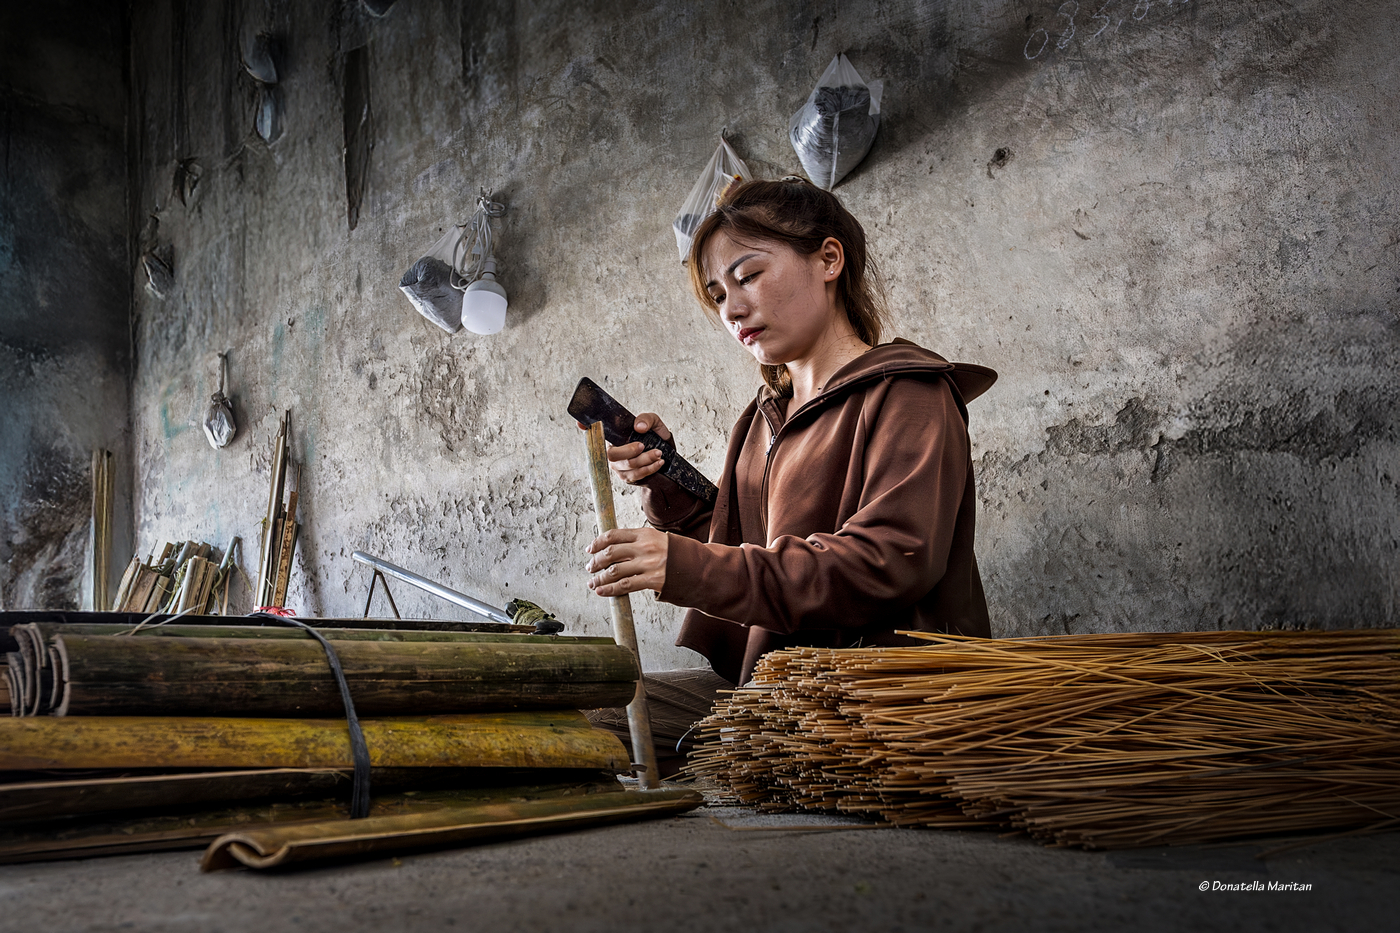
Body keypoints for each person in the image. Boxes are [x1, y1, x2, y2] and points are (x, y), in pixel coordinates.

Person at [583, 176, 996, 773]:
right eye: (717, 293)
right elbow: (748, 556)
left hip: (880, 699)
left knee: (583, 737)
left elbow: (887, 561)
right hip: (773, 690)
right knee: (562, 713)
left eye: (748, 275)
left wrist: (681, 564)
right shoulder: (764, 416)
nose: (733, 309)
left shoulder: (909, 393)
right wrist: (665, 485)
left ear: (828, 259)